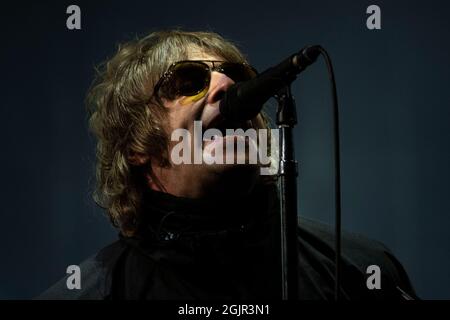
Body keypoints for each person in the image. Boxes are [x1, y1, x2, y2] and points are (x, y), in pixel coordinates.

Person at [38, 30, 416, 300]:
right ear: (136, 146)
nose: (226, 86)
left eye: (237, 77)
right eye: (188, 81)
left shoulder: (364, 270)